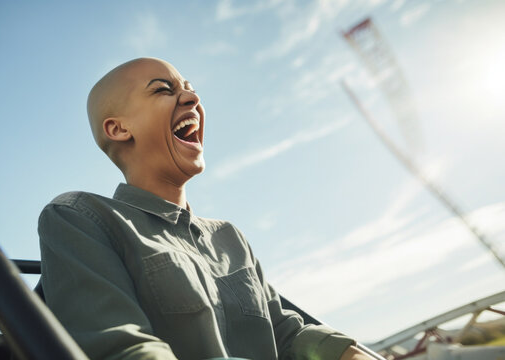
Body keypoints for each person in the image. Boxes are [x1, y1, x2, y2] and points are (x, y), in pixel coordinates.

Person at [39, 57, 373, 360]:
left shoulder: (229, 237)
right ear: (118, 129)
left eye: (190, 90)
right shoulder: (78, 217)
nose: (192, 99)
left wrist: (346, 354)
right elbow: (124, 350)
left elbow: (283, 332)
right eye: (163, 90)